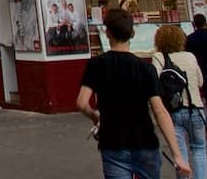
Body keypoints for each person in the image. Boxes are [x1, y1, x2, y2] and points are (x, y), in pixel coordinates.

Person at [79, 9, 191, 179]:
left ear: (107, 33)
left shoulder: (96, 64)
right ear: (132, 33)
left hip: (113, 143)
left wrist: (94, 116)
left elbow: (81, 102)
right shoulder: (145, 68)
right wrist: (177, 155)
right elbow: (160, 112)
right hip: (145, 142)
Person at [154, 25, 207, 179]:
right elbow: (200, 81)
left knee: (180, 152)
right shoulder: (190, 56)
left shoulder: (159, 57)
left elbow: (155, 83)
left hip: (173, 110)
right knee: (199, 149)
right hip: (195, 108)